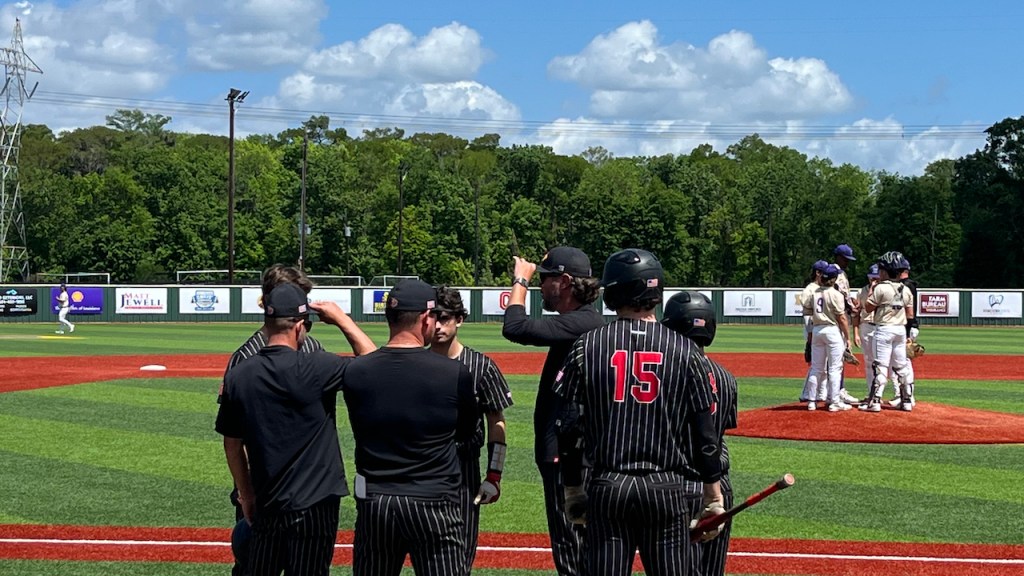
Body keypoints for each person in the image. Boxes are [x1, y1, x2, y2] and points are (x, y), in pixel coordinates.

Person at [552, 249, 725, 576]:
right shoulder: (685, 350)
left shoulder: (587, 346)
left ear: (616, 291)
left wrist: (573, 486)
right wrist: (712, 494)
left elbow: (567, 425)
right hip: (665, 487)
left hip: (609, 485)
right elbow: (706, 434)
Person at [219, 264, 376, 576]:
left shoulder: (241, 369)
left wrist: (246, 491)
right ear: (300, 322)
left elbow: (231, 442)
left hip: (264, 495)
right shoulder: (316, 361)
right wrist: (343, 320)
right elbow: (375, 365)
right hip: (309, 498)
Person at [343, 279, 478, 576]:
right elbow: (467, 432)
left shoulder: (355, 372)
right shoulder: (455, 373)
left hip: (376, 502)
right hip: (434, 501)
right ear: (425, 319)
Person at [501, 246, 604, 576]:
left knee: (571, 544)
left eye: (545, 279)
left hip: (570, 455)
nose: (541, 286)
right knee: (580, 542)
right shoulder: (581, 322)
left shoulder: (583, 323)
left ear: (565, 281)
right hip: (573, 450)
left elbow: (515, 327)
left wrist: (520, 280)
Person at [430, 285, 514, 572]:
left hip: (463, 468)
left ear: (459, 319)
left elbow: (496, 421)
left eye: (446, 318)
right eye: (433, 318)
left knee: (461, 557)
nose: (439, 326)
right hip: (421, 467)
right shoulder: (415, 362)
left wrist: (494, 474)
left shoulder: (481, 366)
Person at [662, 290, 738, 576]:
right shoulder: (726, 377)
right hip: (719, 486)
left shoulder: (666, 372)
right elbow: (720, 431)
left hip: (677, 486)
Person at [863, 251, 915, 412]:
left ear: (885, 271)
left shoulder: (881, 288)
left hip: (884, 328)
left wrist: (874, 293)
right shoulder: (906, 289)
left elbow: (868, 307)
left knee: (880, 366)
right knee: (901, 366)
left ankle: (875, 402)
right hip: (900, 329)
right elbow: (910, 314)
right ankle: (906, 400)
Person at [804, 264, 853, 412]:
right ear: (834, 279)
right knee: (835, 368)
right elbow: (842, 318)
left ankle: (812, 402)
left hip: (817, 329)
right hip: (832, 330)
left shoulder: (814, 293)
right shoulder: (836, 294)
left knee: (816, 368)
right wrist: (848, 337)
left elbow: (807, 311)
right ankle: (834, 402)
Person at [832, 244, 862, 406]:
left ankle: (832, 391)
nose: (847, 262)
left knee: (829, 359)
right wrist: (853, 307)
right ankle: (838, 391)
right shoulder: (837, 273)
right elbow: (843, 295)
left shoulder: (830, 272)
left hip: (831, 317)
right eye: (845, 259)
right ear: (838, 257)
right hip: (838, 317)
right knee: (838, 357)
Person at [888, 256, 919, 408]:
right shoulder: (908, 285)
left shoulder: (906, 286)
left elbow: (909, 312)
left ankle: (907, 395)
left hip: (906, 326)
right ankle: (904, 395)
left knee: (903, 362)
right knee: (901, 361)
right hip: (907, 326)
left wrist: (908, 332)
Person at [798, 260, 828, 405]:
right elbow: (807, 315)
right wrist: (809, 337)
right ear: (818, 273)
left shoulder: (822, 289)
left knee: (824, 364)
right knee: (817, 364)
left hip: (818, 328)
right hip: (813, 328)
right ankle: (806, 393)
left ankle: (821, 393)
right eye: (824, 272)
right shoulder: (810, 289)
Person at [853, 265, 881, 405]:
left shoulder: (885, 290)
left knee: (883, 362)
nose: (874, 280)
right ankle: (871, 392)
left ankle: (893, 394)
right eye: (872, 278)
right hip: (866, 326)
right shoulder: (861, 291)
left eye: (877, 277)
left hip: (881, 327)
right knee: (869, 362)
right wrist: (856, 332)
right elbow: (856, 314)